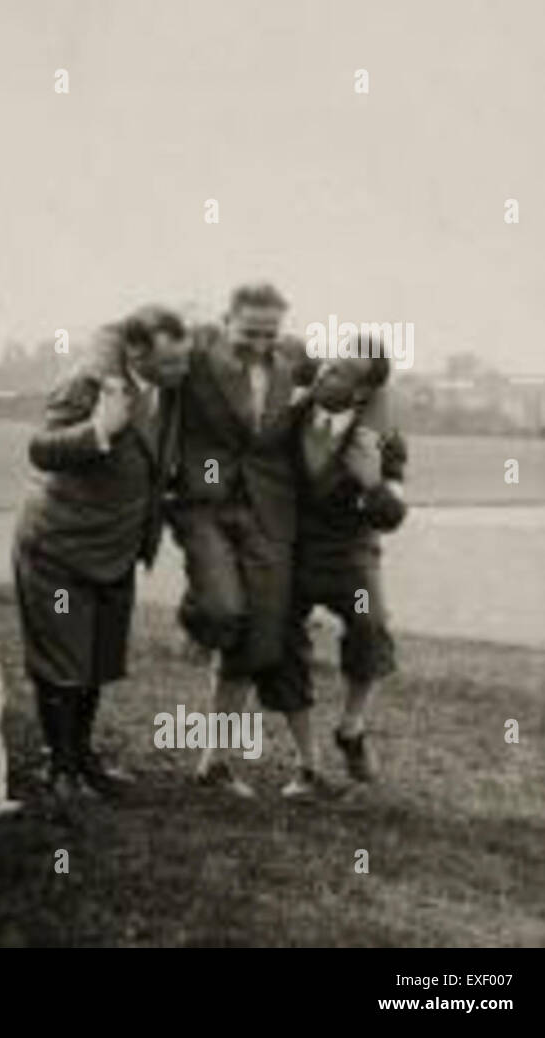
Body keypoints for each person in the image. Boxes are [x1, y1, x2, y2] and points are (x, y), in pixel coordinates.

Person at [13, 306, 190, 802]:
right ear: (136, 353)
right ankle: (60, 766)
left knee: (95, 661)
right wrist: (99, 431)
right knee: (60, 662)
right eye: (172, 362)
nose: (183, 372)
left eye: (184, 361)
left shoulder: (167, 389)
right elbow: (41, 449)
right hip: (60, 548)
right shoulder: (88, 385)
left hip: (115, 551)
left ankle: (82, 757)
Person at [172, 282, 303, 798]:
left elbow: (364, 377)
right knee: (225, 611)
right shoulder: (198, 355)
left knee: (255, 640)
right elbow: (129, 335)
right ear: (226, 319)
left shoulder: (292, 362)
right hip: (206, 503)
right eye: (250, 331)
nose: (260, 342)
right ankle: (197, 613)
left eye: (270, 333)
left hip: (269, 511)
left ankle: (216, 761)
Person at [264, 346, 407, 797]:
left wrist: (372, 480)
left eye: (341, 372)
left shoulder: (384, 439)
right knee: (279, 637)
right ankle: (307, 765)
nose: (326, 372)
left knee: (371, 625)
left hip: (350, 556)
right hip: (294, 552)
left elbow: (393, 515)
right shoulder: (293, 416)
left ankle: (351, 728)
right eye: (329, 364)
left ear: (362, 390)